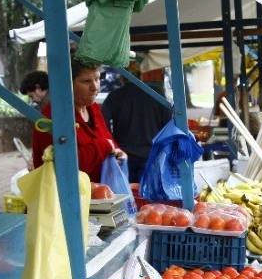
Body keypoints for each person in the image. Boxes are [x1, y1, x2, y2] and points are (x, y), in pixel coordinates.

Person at [31, 53, 125, 184]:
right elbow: (65, 166)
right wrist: (104, 146)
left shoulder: (93, 108)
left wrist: (118, 152)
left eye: (97, 79)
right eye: (86, 81)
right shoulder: (54, 116)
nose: (95, 87)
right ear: (67, 84)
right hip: (66, 200)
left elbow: (108, 139)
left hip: (98, 196)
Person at [101, 59, 173, 185]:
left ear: (122, 77)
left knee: (126, 199)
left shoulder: (115, 97)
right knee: (147, 199)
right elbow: (168, 125)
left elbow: (103, 124)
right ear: (141, 75)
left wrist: (113, 144)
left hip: (123, 158)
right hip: (151, 156)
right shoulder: (157, 95)